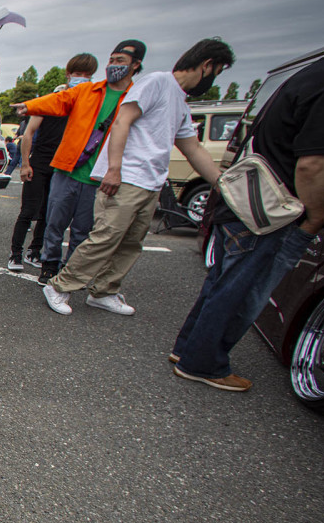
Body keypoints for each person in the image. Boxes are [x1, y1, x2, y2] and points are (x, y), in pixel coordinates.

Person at [171, 32, 324, 392]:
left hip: (248, 201)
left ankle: (189, 350)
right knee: (243, 291)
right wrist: (317, 214)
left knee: (223, 284)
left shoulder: (319, 70)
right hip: (273, 212)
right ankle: (203, 362)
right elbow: (313, 165)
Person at [42, 38, 235, 318]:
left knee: (131, 242)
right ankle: (59, 286)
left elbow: (192, 148)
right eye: (217, 71)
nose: (215, 77)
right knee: (105, 237)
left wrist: (223, 183)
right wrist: (114, 168)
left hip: (151, 182)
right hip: (127, 178)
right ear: (207, 65)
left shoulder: (180, 101)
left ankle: (104, 291)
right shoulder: (157, 82)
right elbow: (122, 120)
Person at [15, 40, 144, 285]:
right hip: (67, 168)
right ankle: (49, 264)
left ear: (136, 65)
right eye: (112, 60)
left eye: (121, 61)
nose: (114, 65)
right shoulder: (88, 92)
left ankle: (71, 270)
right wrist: (29, 106)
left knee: (84, 230)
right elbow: (56, 101)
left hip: (100, 175)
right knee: (54, 220)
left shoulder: (135, 97)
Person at [8, 53, 99, 272]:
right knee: (28, 211)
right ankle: (15, 254)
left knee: (50, 214)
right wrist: (25, 165)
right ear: (69, 76)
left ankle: (35, 252)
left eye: (87, 75)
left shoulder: (85, 106)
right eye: (78, 74)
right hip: (39, 163)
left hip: (63, 166)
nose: (82, 79)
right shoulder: (51, 103)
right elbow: (28, 134)